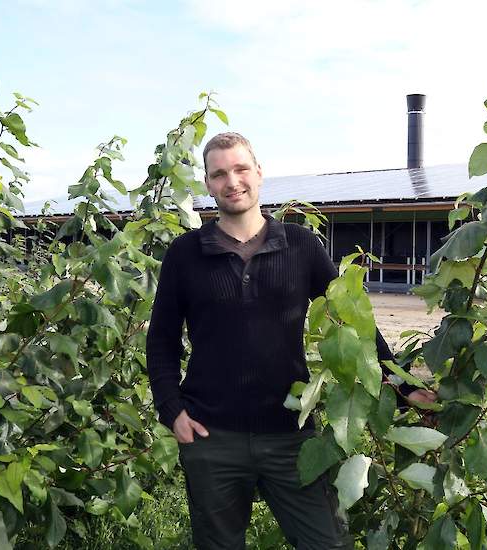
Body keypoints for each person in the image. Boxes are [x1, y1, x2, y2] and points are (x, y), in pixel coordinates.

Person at [145, 132, 436, 549]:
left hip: (291, 435)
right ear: (208, 185)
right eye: (220, 174)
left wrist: (403, 384)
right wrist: (171, 410)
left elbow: (352, 326)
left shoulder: (300, 246)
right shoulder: (185, 254)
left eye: (241, 169)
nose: (232, 181)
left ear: (259, 173)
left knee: (326, 543)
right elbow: (161, 341)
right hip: (212, 439)